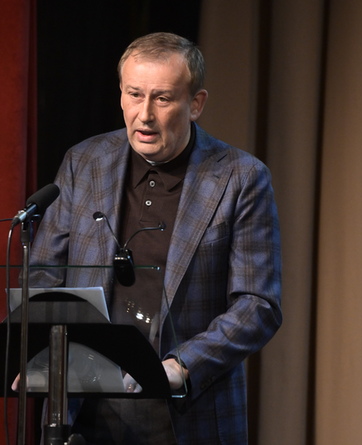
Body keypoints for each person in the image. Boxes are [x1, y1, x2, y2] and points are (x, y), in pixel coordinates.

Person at [28, 32, 282, 445]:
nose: (144, 114)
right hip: (84, 413)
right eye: (134, 95)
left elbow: (258, 304)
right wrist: (39, 353)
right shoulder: (84, 162)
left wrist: (181, 366)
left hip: (187, 412)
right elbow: (44, 275)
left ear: (195, 104)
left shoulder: (240, 178)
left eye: (162, 99)